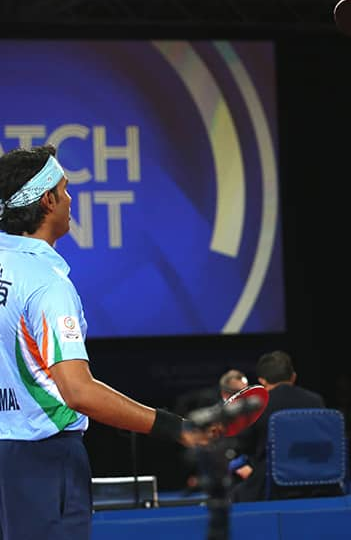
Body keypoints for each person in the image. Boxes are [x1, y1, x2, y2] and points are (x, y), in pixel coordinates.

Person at [0, 144, 211, 539]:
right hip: (44, 460)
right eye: (64, 190)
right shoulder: (46, 286)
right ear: (47, 201)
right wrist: (173, 427)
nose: (70, 198)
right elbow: (78, 392)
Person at [229, 350, 326, 503]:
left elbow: (243, 446)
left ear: (262, 381)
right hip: (317, 483)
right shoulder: (316, 401)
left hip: (271, 486)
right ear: (293, 377)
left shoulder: (256, 406)